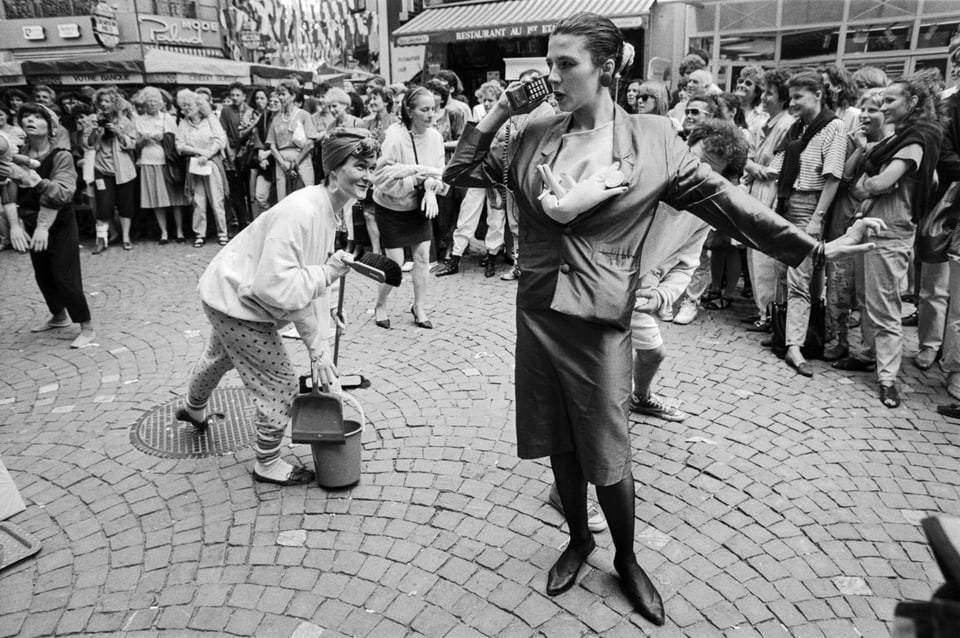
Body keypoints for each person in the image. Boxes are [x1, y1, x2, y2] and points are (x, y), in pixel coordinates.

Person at [444, 12, 883, 625]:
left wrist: (815, 248)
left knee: (607, 446)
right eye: (549, 63)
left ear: (608, 66)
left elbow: (731, 206)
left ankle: (625, 557)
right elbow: (459, 173)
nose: (552, 76)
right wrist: (497, 113)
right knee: (558, 443)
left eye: (565, 63)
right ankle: (578, 539)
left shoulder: (653, 139)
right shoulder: (537, 130)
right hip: (538, 309)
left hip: (600, 319)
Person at [176, 128, 373, 486]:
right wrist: (317, 347)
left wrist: (325, 319)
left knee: (219, 357)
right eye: (360, 166)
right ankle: (266, 462)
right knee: (279, 384)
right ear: (333, 169)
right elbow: (277, 286)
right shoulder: (302, 211)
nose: (368, 175)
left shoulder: (328, 207)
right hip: (239, 303)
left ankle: (193, 408)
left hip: (226, 291)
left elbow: (310, 275)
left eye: (372, 166)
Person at [833, 71, 942, 408]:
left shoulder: (917, 138)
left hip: (891, 232)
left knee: (885, 308)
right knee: (868, 300)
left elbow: (877, 184)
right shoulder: (906, 138)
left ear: (913, 103)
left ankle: (888, 379)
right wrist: (874, 183)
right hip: (875, 226)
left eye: (891, 100)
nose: (883, 104)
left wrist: (873, 185)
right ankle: (868, 355)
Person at [766, 71, 848, 377]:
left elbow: (833, 176)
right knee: (782, 272)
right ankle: (782, 333)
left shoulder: (833, 127)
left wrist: (818, 218)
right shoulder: (797, 127)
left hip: (810, 203)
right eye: (791, 96)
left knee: (800, 277)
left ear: (818, 94)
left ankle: (795, 346)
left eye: (799, 96)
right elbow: (776, 167)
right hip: (787, 201)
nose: (793, 102)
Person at [0, 102, 95, 348]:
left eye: (36, 117)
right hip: (31, 220)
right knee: (43, 274)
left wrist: (34, 181)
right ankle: (58, 316)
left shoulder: (61, 155)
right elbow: (7, 191)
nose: (29, 120)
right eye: (26, 117)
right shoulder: (17, 153)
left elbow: (62, 194)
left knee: (65, 276)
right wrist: (15, 226)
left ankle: (87, 327)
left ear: (50, 126)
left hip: (60, 221)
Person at [371, 87, 444, 330]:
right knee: (395, 263)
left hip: (418, 206)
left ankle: (419, 307)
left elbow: (439, 172)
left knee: (423, 257)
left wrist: (432, 189)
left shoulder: (436, 137)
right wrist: (414, 179)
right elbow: (380, 179)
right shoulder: (394, 137)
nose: (431, 114)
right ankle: (380, 303)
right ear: (409, 112)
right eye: (425, 109)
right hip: (391, 206)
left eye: (433, 109)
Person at [741, 68, 796, 333]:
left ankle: (770, 315)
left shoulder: (785, 125)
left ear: (783, 98)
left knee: (765, 258)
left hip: (768, 192)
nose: (764, 97)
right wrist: (753, 166)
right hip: (759, 189)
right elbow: (749, 159)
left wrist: (753, 167)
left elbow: (773, 168)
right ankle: (764, 312)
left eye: (770, 93)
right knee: (756, 255)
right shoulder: (767, 123)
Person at [85, 86, 138, 252]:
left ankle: (126, 237)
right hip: (102, 168)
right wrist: (95, 130)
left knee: (125, 204)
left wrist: (118, 133)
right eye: (101, 101)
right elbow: (88, 143)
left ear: (115, 103)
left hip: (123, 169)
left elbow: (132, 144)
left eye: (107, 101)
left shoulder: (125, 121)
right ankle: (101, 240)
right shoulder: (93, 119)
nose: (104, 104)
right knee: (104, 205)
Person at [175, 89, 229, 247]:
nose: (185, 108)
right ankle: (200, 234)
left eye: (189, 105)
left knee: (216, 199)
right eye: (183, 106)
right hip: (194, 165)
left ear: (198, 105)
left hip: (212, 163)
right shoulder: (184, 123)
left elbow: (221, 140)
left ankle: (222, 232)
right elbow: (180, 145)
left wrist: (208, 154)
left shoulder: (210, 119)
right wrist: (199, 152)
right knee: (198, 201)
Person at [135, 86, 186, 245]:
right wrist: (144, 140)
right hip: (149, 161)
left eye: (155, 101)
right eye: (149, 101)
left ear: (160, 103)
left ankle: (179, 230)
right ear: (144, 103)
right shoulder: (139, 120)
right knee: (156, 199)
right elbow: (135, 145)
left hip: (167, 162)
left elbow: (176, 139)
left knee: (175, 198)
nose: (152, 104)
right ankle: (163, 232)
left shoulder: (167, 118)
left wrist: (162, 137)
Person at [267, 80, 318, 200]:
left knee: (305, 198)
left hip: (301, 159)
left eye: (283, 94)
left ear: (293, 95)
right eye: (279, 94)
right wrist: (283, 163)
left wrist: (295, 163)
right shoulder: (276, 119)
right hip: (282, 163)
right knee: (284, 199)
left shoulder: (304, 115)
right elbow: (272, 145)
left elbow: (310, 144)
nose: (280, 97)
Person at [220, 81, 252, 231]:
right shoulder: (226, 111)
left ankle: (252, 219)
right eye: (232, 95)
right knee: (236, 190)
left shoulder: (250, 111)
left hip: (247, 153)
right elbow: (223, 133)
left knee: (249, 189)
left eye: (238, 95)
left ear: (244, 96)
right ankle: (242, 222)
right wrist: (228, 152)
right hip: (232, 152)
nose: (234, 98)